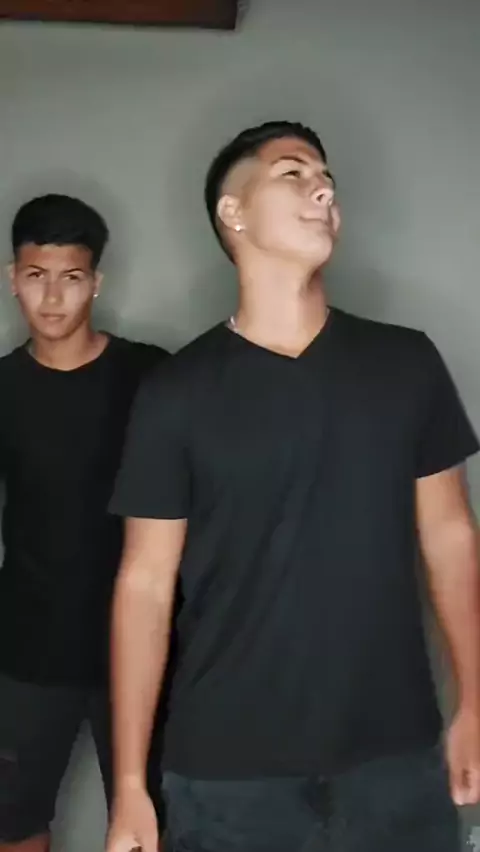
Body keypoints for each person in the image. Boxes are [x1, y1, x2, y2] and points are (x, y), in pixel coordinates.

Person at [106, 121, 480, 852]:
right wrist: (128, 784)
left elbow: (451, 535)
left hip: (394, 759)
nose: (323, 190)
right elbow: (144, 584)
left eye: (328, 180)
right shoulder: (176, 393)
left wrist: (475, 699)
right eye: (293, 173)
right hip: (227, 776)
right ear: (233, 212)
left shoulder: (405, 362)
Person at [0, 194, 169, 852]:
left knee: (151, 826)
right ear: (13, 278)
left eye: (70, 277)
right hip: (28, 650)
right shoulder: (4, 388)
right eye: (36, 276)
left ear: (95, 281)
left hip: (144, 644)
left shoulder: (151, 376)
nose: (51, 298)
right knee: (13, 824)